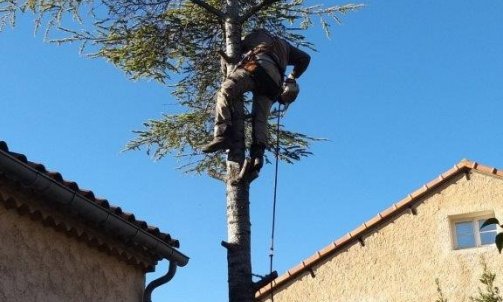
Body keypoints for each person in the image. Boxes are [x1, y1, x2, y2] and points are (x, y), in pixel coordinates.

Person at [202, 29, 310, 172]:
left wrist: (226, 71)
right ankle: (257, 156)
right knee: (260, 119)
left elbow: (233, 49)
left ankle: (223, 134)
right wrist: (291, 77)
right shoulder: (284, 44)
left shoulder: (256, 34)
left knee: (225, 91)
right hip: (274, 83)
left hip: (257, 68)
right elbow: (305, 58)